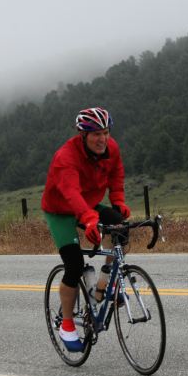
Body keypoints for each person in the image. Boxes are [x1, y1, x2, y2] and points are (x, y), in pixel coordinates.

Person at [41, 107, 131, 352]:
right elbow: (71, 194)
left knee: (120, 230)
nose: (102, 139)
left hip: (88, 203)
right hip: (61, 210)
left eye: (105, 132)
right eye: (95, 134)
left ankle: (102, 288)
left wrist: (119, 201)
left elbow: (116, 177)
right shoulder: (65, 158)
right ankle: (67, 324)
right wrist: (89, 220)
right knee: (73, 264)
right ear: (82, 135)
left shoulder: (111, 149)